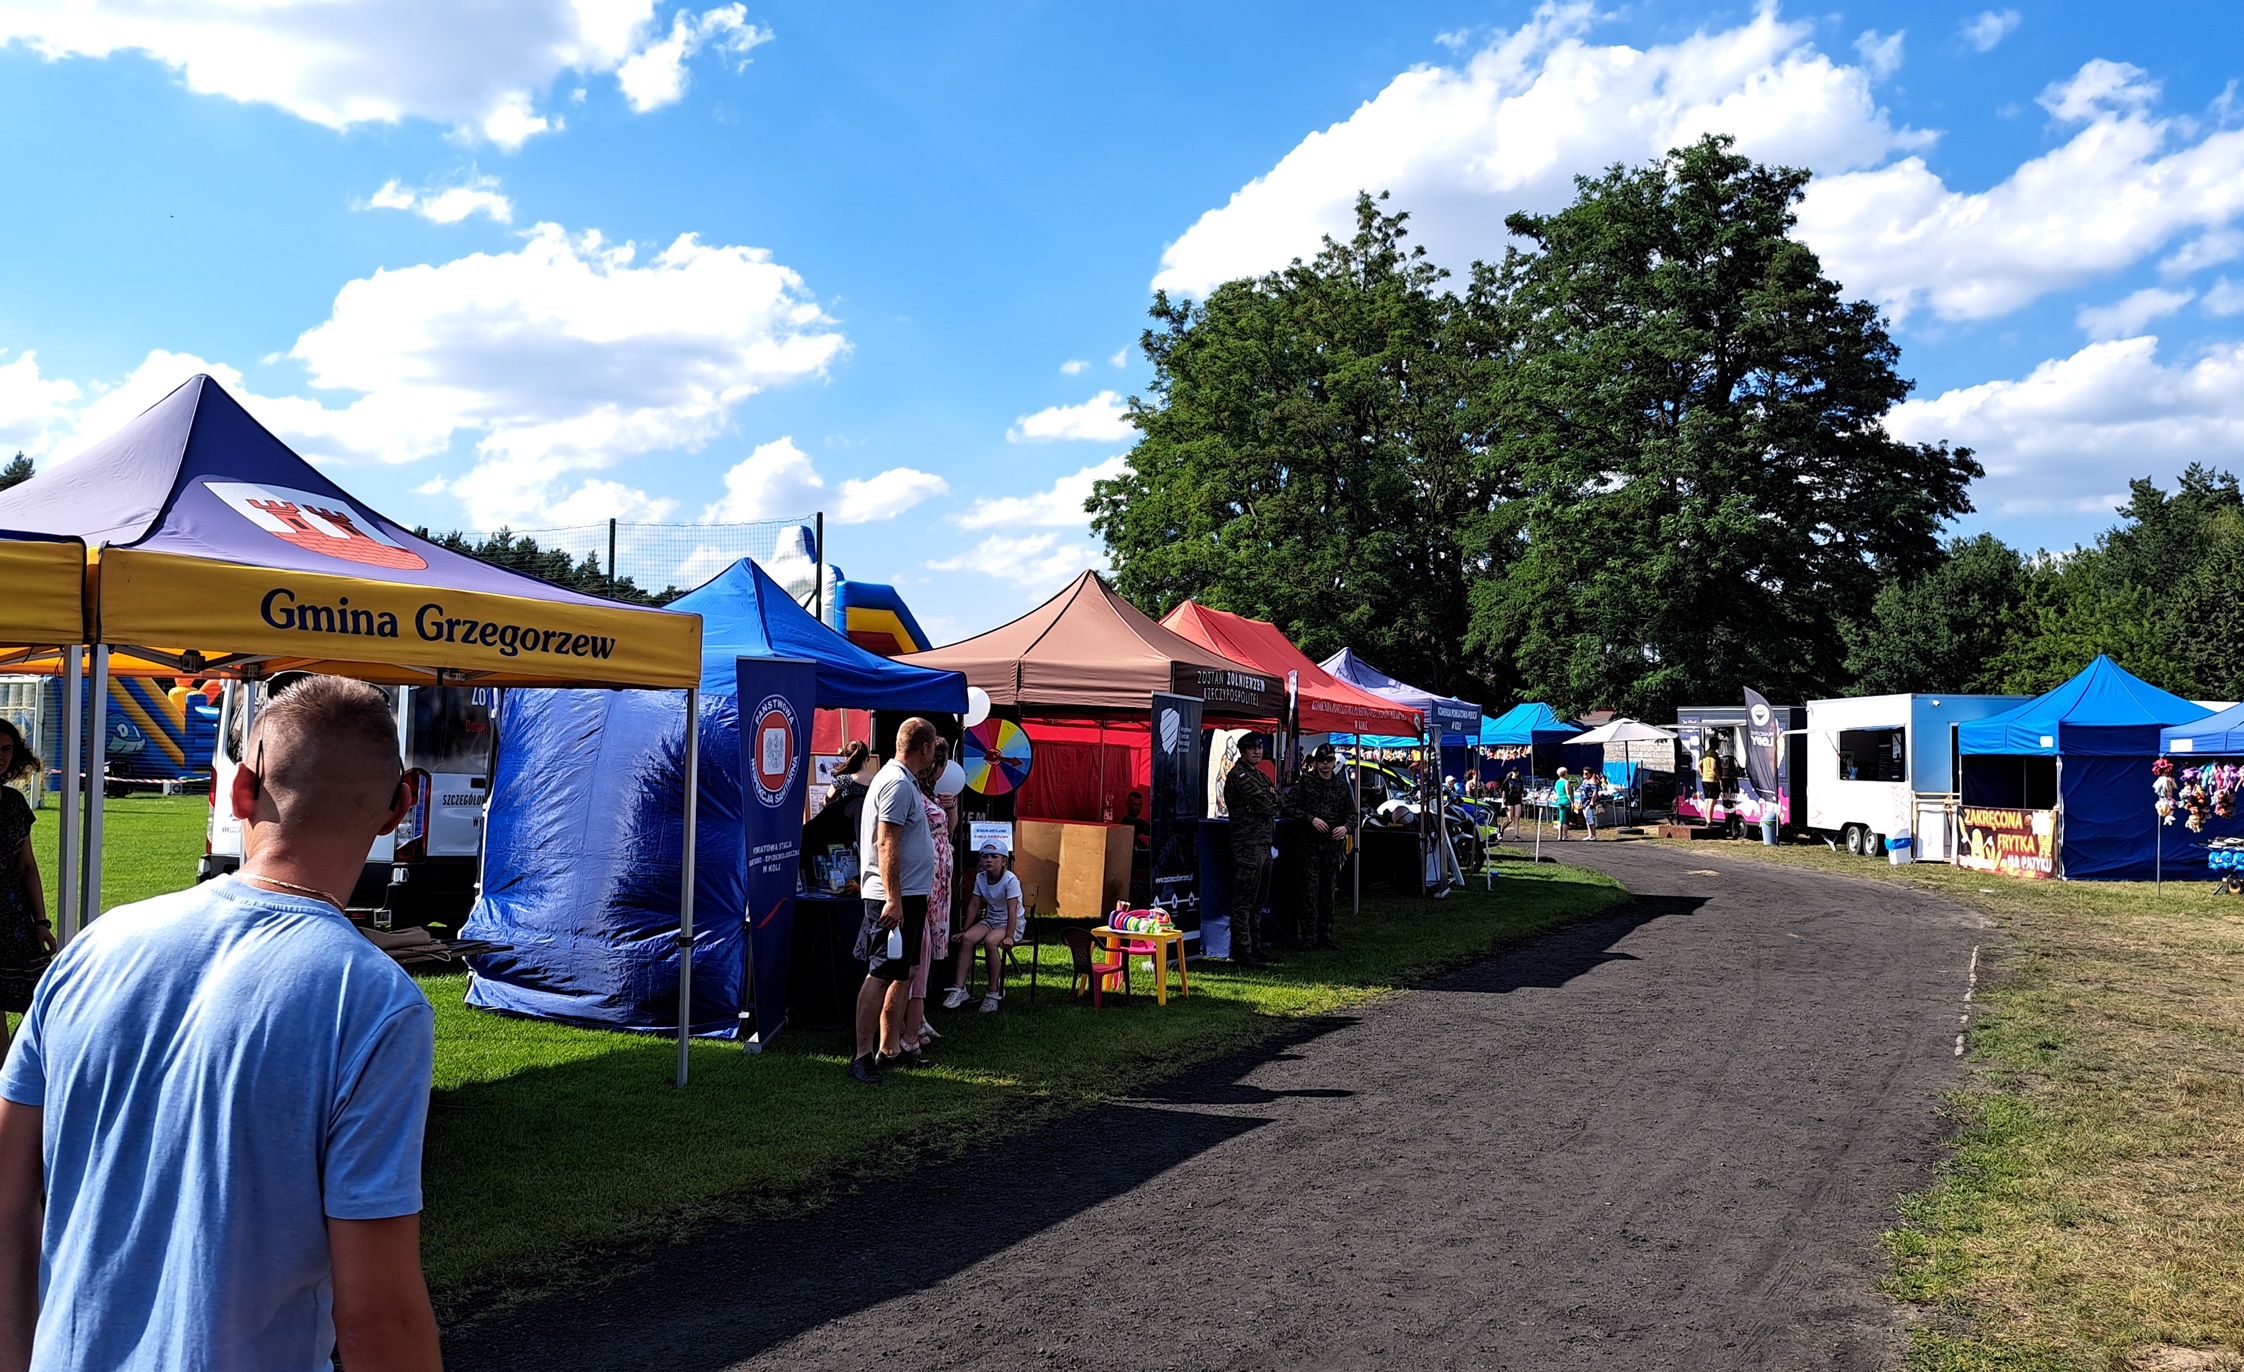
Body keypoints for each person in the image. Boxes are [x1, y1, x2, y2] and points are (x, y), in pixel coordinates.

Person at [0, 676, 439, 1371]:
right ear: (402, 805)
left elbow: (7, 1196)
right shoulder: (375, 1004)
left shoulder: (96, 946)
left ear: (240, 791)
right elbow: (378, 1317)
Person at [849, 718, 939, 1085]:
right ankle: (861, 1055)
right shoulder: (898, 784)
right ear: (926, 748)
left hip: (907, 896)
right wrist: (894, 899)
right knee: (882, 971)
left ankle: (891, 1049)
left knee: (904, 971)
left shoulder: (900, 780)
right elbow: (885, 842)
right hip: (893, 898)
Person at [900, 739, 956, 1058]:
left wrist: (950, 808)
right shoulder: (910, 789)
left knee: (926, 945)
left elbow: (946, 831)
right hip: (924, 879)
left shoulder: (932, 792)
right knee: (917, 949)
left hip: (937, 878)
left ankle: (916, 1018)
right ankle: (912, 1023)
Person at [0, 723, 53, 1054]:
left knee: (40, 1000)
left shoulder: (15, 803)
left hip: (16, 920)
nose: (0, 758)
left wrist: (41, 922)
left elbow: (27, 866)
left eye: (6, 750)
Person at [1286, 744, 1353, 951]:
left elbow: (1352, 814)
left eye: (1329, 760)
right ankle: (1308, 937)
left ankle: (1325, 935)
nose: (1325, 765)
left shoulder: (1341, 786)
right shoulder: (1305, 783)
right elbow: (1288, 806)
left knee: (1327, 891)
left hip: (1331, 847)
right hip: (1308, 845)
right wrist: (1311, 818)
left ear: (1334, 762)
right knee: (1308, 891)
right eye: (1322, 761)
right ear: (1315, 763)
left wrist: (1345, 827)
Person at [1222, 733, 1280, 968]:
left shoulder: (1260, 774)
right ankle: (1242, 951)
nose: (1257, 751)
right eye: (1251, 748)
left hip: (1263, 843)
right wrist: (1272, 799)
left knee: (1258, 901)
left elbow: (1278, 801)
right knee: (1244, 901)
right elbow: (1266, 803)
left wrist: (1273, 799)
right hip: (1247, 845)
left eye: (1259, 748)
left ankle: (1255, 948)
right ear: (1242, 751)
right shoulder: (1240, 775)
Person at [946, 844, 1023, 1010]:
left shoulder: (1010, 880)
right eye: (985, 856)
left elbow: (1012, 910)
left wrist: (1009, 936)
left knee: (990, 942)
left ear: (1004, 861)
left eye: (994, 857)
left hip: (1010, 923)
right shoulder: (981, 877)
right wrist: (965, 930)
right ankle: (960, 988)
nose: (989, 860)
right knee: (967, 939)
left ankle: (993, 991)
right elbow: (974, 904)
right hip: (991, 919)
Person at [1501, 769, 1526, 841]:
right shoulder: (1508, 780)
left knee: (1517, 818)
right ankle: (1501, 830)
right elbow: (1503, 792)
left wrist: (1522, 802)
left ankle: (1516, 835)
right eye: (1514, 771)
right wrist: (1503, 802)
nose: (1516, 773)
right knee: (1509, 819)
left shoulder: (1520, 781)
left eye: (1517, 771)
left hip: (1517, 800)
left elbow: (1521, 792)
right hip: (1509, 800)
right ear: (1512, 772)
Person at [1550, 767, 1573, 841]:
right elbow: (1568, 793)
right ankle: (1565, 835)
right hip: (1566, 801)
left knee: (1560, 819)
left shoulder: (1557, 782)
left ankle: (1559, 835)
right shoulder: (1566, 782)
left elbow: (1557, 792)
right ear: (1565, 774)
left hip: (1560, 801)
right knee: (1566, 819)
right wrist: (1572, 802)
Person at [1580, 773, 1602, 841]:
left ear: (1590, 774)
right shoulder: (1584, 781)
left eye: (1586, 774)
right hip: (1584, 802)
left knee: (1589, 818)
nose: (1584, 775)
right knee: (1587, 819)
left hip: (1588, 802)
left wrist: (1592, 801)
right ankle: (1590, 835)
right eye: (1583, 773)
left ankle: (1593, 835)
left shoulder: (1593, 782)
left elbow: (1595, 793)